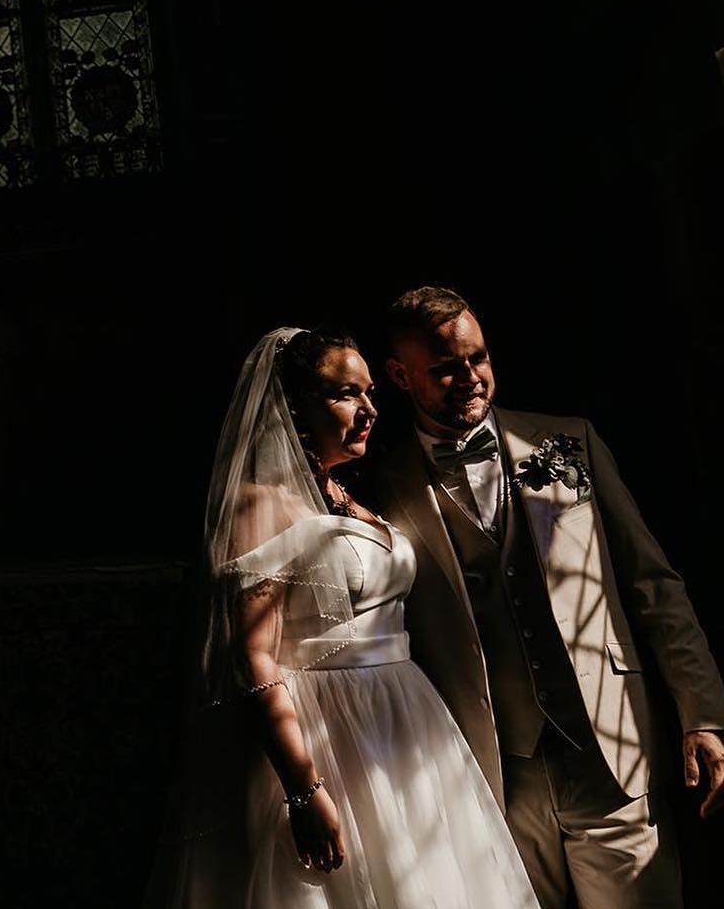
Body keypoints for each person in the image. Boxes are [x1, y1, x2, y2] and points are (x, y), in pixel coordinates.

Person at [145, 327, 539, 908]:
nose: (369, 409)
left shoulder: (352, 495)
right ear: (292, 408)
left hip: (405, 717)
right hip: (329, 730)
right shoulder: (260, 504)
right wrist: (304, 789)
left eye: (369, 392)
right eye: (346, 394)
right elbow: (253, 654)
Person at [373, 286, 724, 909]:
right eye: (446, 367)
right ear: (400, 375)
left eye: (477, 358)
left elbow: (653, 585)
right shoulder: (381, 484)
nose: (470, 377)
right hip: (490, 777)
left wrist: (700, 711)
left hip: (610, 753)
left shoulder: (569, 442)